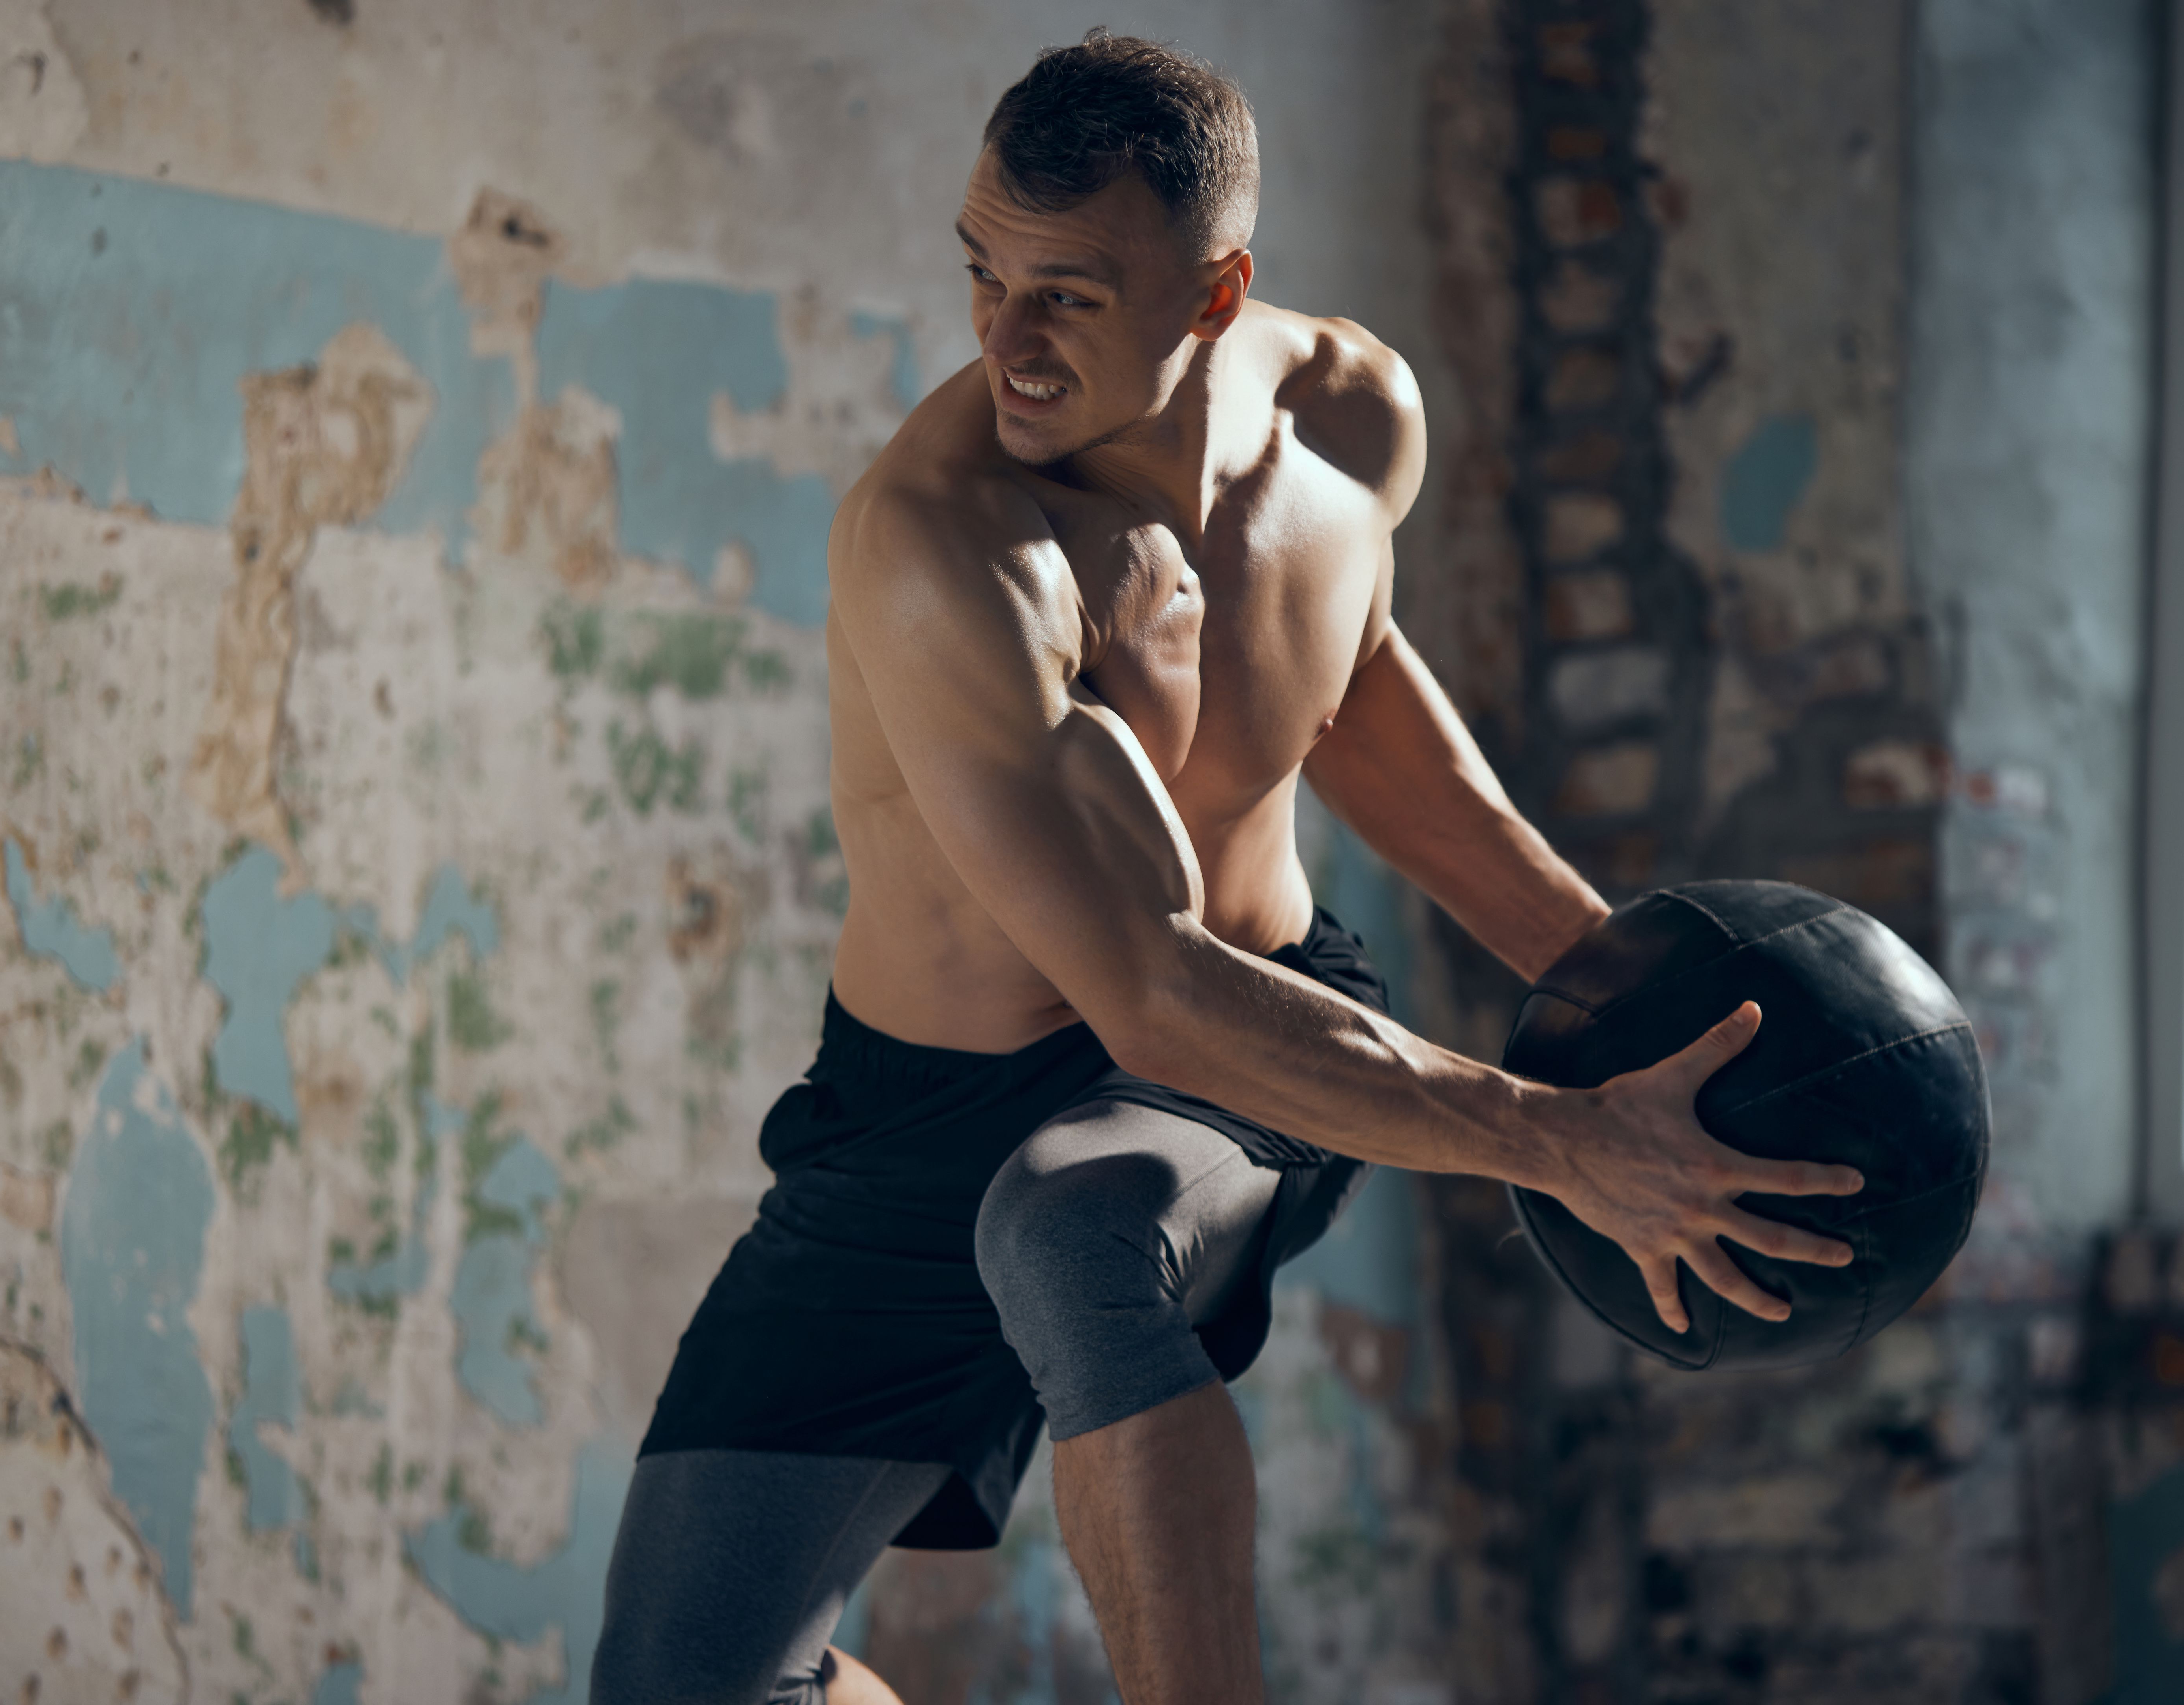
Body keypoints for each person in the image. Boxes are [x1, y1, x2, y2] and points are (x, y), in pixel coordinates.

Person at [590, 31, 1861, 1705]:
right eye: (984, 276)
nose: (1004, 342)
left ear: (1214, 293)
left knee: (1067, 1234)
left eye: (1068, 295)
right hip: (915, 1126)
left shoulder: (1345, 420)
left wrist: (1624, 991)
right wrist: (1558, 1144)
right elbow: (1143, 984)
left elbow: (1356, 711)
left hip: (1246, 1057)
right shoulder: (947, 546)